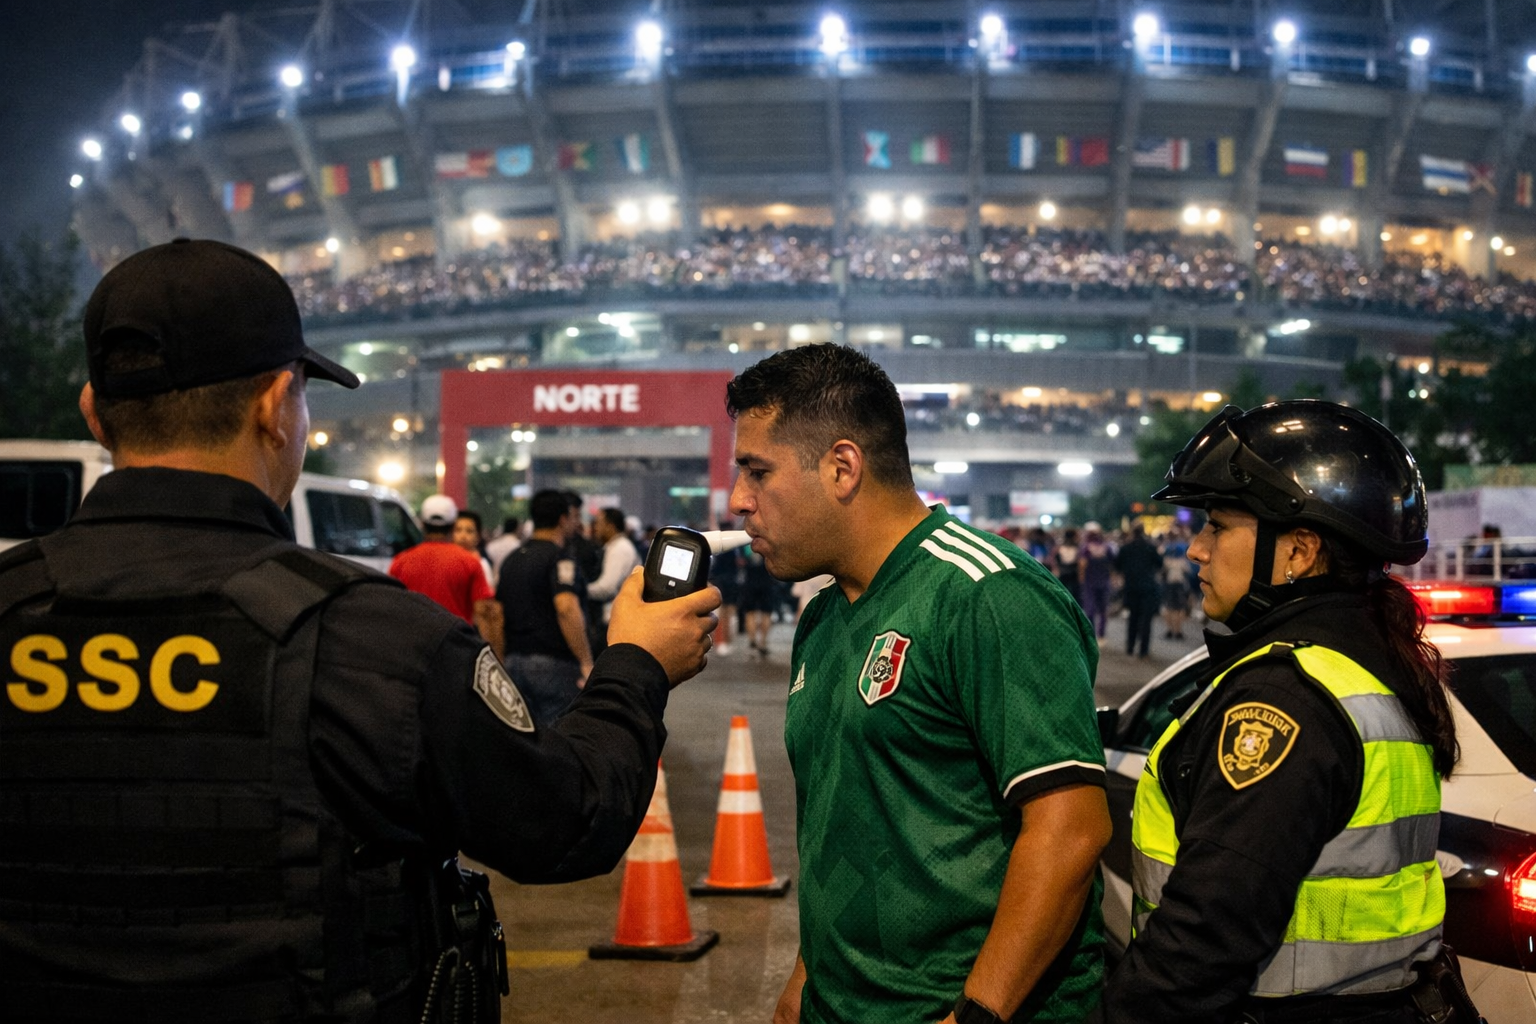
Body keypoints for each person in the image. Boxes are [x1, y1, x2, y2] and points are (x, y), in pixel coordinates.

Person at [0, 238, 721, 1023]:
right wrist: (636, 666)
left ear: (94, 413)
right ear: (276, 407)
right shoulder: (373, 639)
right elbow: (565, 822)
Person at [727, 345, 1110, 1024]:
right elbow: (851, 822)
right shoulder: (824, 617)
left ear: (842, 467)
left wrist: (978, 1013)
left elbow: (1070, 829)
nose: (738, 502)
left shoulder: (989, 594)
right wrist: (806, 981)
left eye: (757, 472)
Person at [1105, 402, 1457, 1024]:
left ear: (1297, 552)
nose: (1195, 550)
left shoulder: (1281, 702)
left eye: (1217, 526)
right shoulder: (1364, 666)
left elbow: (1205, 939)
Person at [497, 489, 595, 725]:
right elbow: (566, 607)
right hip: (553, 664)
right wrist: (586, 661)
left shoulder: (513, 558)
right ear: (563, 519)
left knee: (523, 737)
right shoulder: (560, 559)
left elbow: (496, 613)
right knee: (557, 737)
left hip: (513, 661)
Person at [389, 494, 503, 658]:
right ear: (452, 525)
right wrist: (496, 658)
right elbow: (484, 613)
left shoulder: (400, 562)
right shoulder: (469, 562)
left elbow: (393, 609)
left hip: (413, 650)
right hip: (456, 649)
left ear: (422, 524)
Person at [585, 507, 642, 650]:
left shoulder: (620, 549)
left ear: (610, 526)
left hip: (615, 622)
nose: (595, 527)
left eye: (598, 523)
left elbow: (607, 588)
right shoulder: (614, 547)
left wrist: (579, 589)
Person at [1114, 523, 1162, 659]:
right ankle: (1143, 650)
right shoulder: (1150, 547)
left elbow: (1117, 565)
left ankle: (1130, 646)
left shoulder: (1125, 548)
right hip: (1147, 587)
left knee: (1132, 618)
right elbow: (1159, 563)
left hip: (1131, 587)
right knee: (1146, 619)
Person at [1078, 523, 1115, 641]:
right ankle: (1101, 634)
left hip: (1090, 582)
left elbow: (1082, 565)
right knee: (1103, 610)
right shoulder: (1106, 547)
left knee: (1090, 610)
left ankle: (1091, 634)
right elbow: (1112, 564)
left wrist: (1081, 579)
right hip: (1104, 581)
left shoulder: (1085, 548)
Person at [1159, 524, 1192, 639]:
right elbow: (1188, 570)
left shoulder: (1165, 549)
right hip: (1179, 583)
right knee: (1179, 608)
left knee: (1168, 607)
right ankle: (1178, 631)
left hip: (1168, 583)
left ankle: (1169, 630)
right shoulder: (1182, 548)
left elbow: (1161, 568)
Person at [452, 508, 495, 586]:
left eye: (469, 531)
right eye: (458, 530)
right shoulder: (447, 563)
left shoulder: (482, 565)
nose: (463, 536)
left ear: (478, 537)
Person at [485, 516, 521, 584]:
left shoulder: (492, 546)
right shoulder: (519, 546)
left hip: (494, 580)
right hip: (512, 581)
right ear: (516, 528)